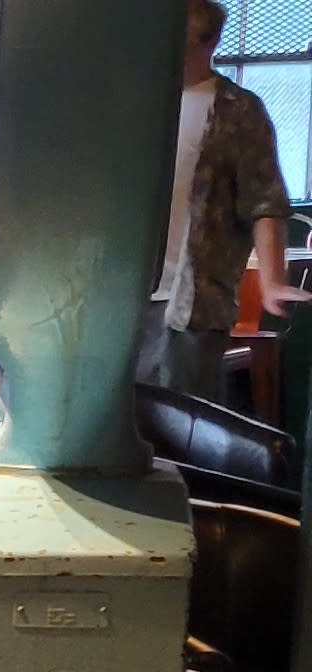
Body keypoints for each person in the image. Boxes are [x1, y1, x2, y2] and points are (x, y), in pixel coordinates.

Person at [139, 0, 308, 399]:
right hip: (114, 295)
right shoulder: (132, 104)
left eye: (184, 43)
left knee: (182, 421)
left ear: (209, 41)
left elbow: (264, 200)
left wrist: (272, 281)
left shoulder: (238, 109)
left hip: (193, 298)